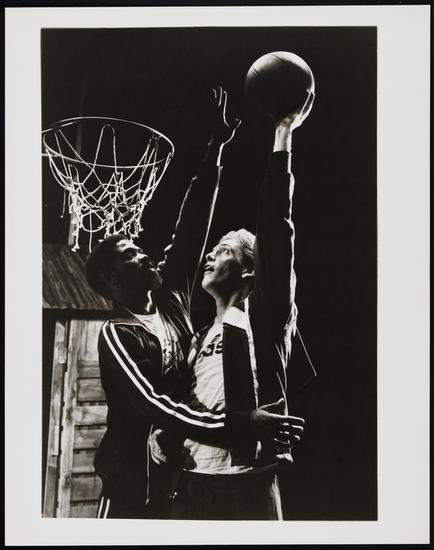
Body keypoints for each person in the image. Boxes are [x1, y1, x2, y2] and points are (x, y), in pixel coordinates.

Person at [85, 88, 300, 519]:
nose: (145, 253)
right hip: (135, 482)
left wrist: (216, 148)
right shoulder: (120, 333)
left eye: (223, 251)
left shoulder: (184, 308)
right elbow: (156, 404)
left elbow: (193, 229)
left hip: (206, 477)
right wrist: (233, 425)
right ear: (112, 279)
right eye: (131, 254)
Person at [151, 95, 316, 520]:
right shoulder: (197, 336)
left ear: (250, 270)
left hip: (245, 484)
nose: (210, 255)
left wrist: (283, 133)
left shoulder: (264, 317)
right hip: (190, 485)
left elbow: (277, 228)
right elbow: (185, 404)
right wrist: (163, 432)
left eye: (224, 250)